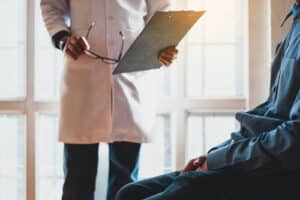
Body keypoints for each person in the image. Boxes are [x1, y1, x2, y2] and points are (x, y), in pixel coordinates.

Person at [116, 2, 300, 200]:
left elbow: (293, 139)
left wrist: (217, 160)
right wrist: (213, 155)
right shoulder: (295, 20)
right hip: (252, 157)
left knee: (183, 186)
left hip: (276, 172)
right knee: (130, 193)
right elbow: (269, 113)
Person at [40, 1, 178, 200]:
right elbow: (51, 6)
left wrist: (162, 44)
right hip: (83, 74)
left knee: (126, 184)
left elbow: (162, 10)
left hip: (131, 75)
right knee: (77, 183)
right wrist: (64, 39)